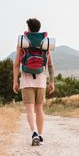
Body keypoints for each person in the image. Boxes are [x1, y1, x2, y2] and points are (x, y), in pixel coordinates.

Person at [13, 18, 55, 146]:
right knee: (39, 108)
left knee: (30, 109)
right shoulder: (45, 44)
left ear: (29, 29)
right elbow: (51, 65)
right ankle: (41, 136)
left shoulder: (23, 42)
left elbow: (16, 65)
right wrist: (52, 81)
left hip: (26, 80)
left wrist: (15, 81)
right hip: (41, 81)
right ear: (39, 28)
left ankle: (34, 132)